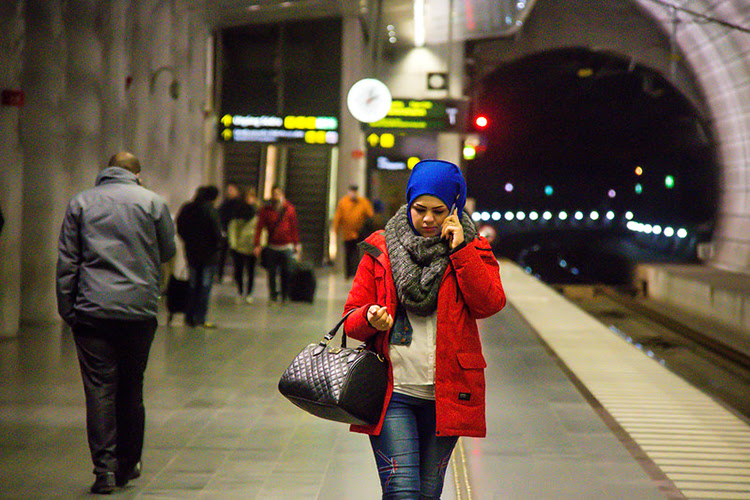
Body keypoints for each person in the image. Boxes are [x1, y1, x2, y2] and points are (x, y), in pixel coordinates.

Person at [341, 159, 506, 499]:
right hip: (391, 392)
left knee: (428, 494)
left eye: (438, 210)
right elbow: (351, 319)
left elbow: (489, 303)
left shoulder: (474, 249)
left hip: (446, 394)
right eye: (419, 209)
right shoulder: (381, 246)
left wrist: (460, 251)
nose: (428, 219)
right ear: (408, 203)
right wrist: (370, 317)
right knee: (402, 492)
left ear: (455, 209)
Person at [56, 151, 176, 494]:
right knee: (131, 387)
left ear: (106, 171)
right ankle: (128, 464)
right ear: (137, 174)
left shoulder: (81, 203)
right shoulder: (153, 203)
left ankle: (103, 470)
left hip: (93, 310)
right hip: (138, 310)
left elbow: (68, 260)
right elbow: (167, 250)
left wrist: (68, 308)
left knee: (99, 390)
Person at [176, 185, 222, 327]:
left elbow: (180, 226)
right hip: (208, 255)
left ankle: (189, 316)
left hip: (192, 252)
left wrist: (188, 241)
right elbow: (216, 232)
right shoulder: (210, 210)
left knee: (193, 284)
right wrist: (218, 246)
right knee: (205, 286)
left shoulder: (187, 208)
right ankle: (200, 317)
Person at [253, 185, 300, 303]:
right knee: (272, 273)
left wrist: (296, 244)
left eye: (278, 194)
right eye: (274, 194)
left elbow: (294, 228)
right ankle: (273, 295)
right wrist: (257, 244)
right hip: (272, 246)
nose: (276, 196)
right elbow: (259, 227)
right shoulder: (266, 210)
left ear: (282, 195)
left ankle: (284, 295)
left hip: (286, 246)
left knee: (287, 272)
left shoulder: (289, 209)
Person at [333, 185, 375, 278]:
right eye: (351, 191)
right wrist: (335, 230)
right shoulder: (343, 202)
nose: (353, 193)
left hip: (359, 233)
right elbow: (337, 217)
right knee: (348, 253)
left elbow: (370, 214)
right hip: (347, 234)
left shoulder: (363, 202)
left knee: (357, 254)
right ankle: (348, 273)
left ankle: (357, 273)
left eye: (355, 191)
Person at [227, 187, 259, 304]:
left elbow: (261, 229)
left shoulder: (258, 211)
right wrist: (233, 244)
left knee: (251, 271)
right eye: (247, 197)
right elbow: (233, 229)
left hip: (252, 245)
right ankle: (240, 291)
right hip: (239, 246)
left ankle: (249, 293)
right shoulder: (238, 211)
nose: (249, 199)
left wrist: (259, 244)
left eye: (251, 196)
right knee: (239, 270)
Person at [217, 184, 242, 282]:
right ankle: (220, 275)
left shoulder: (239, 204)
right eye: (228, 190)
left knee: (236, 255)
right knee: (222, 255)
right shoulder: (225, 203)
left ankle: (236, 276)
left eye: (231, 190)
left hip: (235, 233)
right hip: (226, 232)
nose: (229, 192)